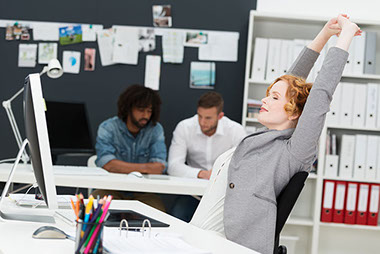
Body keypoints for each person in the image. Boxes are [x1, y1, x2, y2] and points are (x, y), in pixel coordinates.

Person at [190, 14, 361, 254]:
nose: (264, 99)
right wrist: (324, 35)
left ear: (294, 113)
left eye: (274, 97)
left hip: (227, 247)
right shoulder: (264, 138)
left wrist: (345, 36)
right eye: (269, 93)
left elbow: (321, 92)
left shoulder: (293, 152)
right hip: (196, 239)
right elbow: (292, 79)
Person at [167, 91, 246, 221]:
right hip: (192, 194)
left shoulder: (235, 130)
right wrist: (203, 174)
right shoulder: (185, 127)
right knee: (177, 215)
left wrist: (218, 175)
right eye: (200, 116)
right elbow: (173, 166)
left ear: (220, 116)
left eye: (208, 118)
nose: (202, 122)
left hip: (223, 196)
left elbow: (243, 166)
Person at [93, 84, 167, 211]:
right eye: (141, 110)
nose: (146, 115)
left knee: (158, 212)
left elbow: (159, 167)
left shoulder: (155, 129)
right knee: (95, 206)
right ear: (128, 108)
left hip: (143, 193)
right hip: (111, 189)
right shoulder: (108, 128)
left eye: (149, 111)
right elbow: (108, 164)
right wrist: (145, 168)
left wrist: (119, 167)